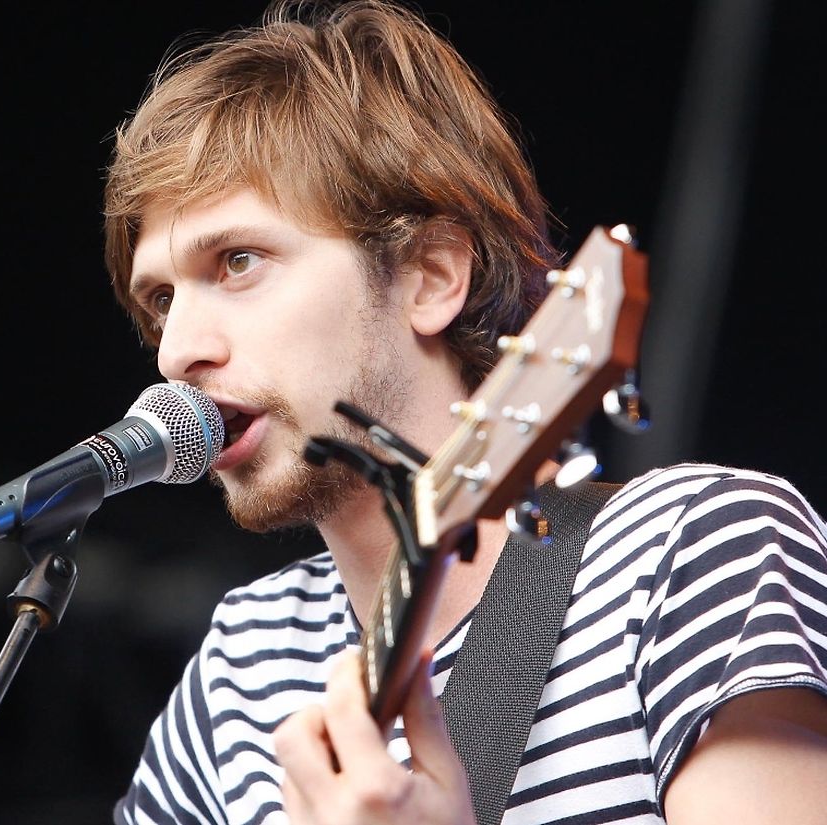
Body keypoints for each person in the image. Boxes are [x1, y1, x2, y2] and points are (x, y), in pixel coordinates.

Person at [100, 1, 827, 823]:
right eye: (161, 299)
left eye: (238, 260)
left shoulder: (689, 551)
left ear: (433, 275)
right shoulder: (239, 666)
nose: (176, 351)